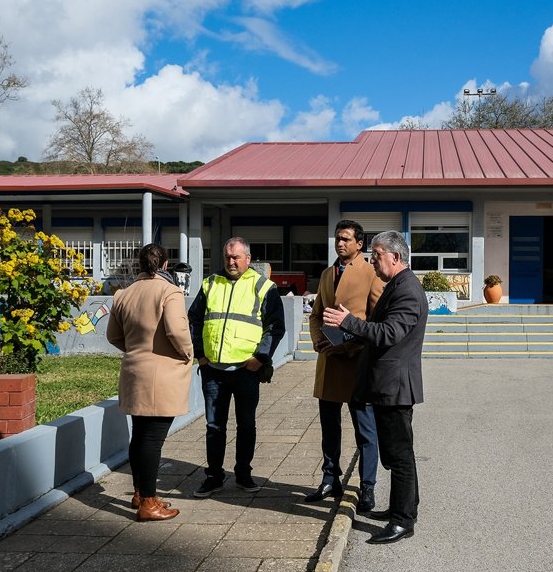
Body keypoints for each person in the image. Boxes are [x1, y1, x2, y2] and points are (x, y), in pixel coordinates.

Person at [321, 230, 427, 545]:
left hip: (395, 387)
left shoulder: (407, 290)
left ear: (395, 257)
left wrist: (348, 322)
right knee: (397, 454)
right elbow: (376, 329)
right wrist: (342, 336)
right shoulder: (396, 285)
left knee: (399, 456)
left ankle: (402, 521)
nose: (372, 261)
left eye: (377, 255)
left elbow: (389, 333)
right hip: (386, 385)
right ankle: (402, 508)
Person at [188, 237, 286, 497]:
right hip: (213, 371)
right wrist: (200, 355)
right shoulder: (210, 283)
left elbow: (275, 327)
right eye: (227, 257)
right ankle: (214, 476)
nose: (231, 262)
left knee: (246, 425)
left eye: (236, 257)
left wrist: (260, 358)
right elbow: (194, 320)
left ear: (248, 259)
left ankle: (243, 474)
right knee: (214, 427)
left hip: (246, 370)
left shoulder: (263, 286)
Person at [105, 243, 194, 522]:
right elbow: (177, 330)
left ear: (139, 265)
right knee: (153, 440)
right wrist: (188, 352)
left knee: (140, 435)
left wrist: (135, 351)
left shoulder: (124, 294)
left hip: (134, 372)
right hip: (163, 374)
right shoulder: (170, 292)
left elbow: (113, 336)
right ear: (165, 264)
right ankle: (149, 502)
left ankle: (140, 492)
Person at [307, 220, 385, 510]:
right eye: (337, 239)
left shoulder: (371, 273)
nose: (340, 243)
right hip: (328, 363)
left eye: (346, 239)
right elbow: (316, 314)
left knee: (365, 431)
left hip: (356, 364)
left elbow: (377, 322)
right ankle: (330, 479)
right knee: (329, 428)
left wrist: (348, 346)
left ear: (359, 244)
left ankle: (368, 487)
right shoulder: (328, 273)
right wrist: (318, 340)